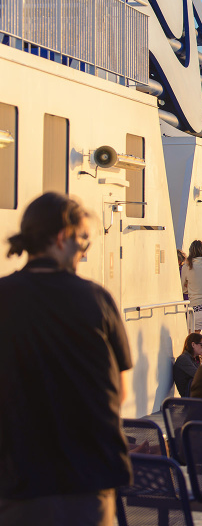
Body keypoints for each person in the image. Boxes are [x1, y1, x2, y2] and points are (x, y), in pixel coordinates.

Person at [0, 193, 132, 526]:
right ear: (62, 238)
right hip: (86, 481)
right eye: (84, 242)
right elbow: (121, 391)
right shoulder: (97, 300)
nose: (84, 253)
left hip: (14, 481)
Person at [174, 332, 202, 397]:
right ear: (193, 344)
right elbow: (200, 376)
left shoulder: (195, 359)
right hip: (189, 398)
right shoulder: (183, 359)